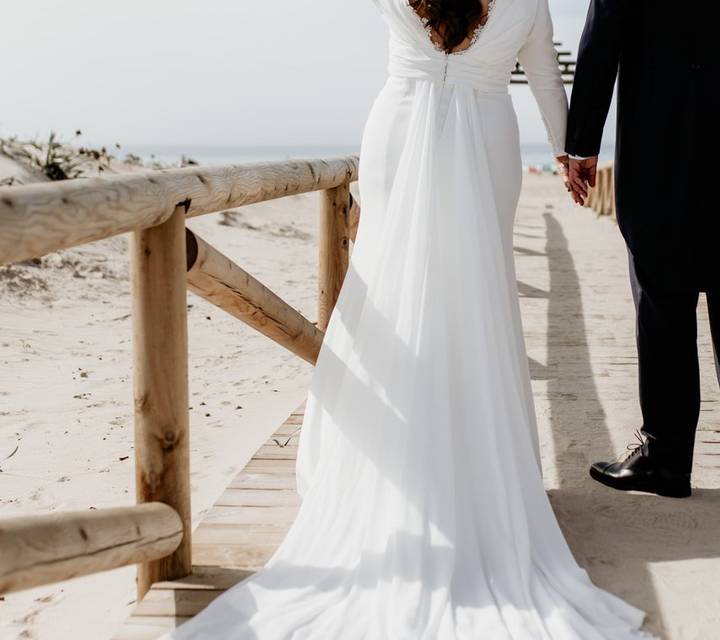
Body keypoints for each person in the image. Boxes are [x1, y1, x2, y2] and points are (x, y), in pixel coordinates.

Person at [162, 0, 651, 637]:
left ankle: (391, 454)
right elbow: (544, 79)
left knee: (386, 290)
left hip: (397, 128)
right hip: (488, 136)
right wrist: (570, 152)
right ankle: (477, 468)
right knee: (475, 294)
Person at [565, 0, 720, 498]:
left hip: (663, 130)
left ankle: (667, 457)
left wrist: (583, 142)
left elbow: (602, 36)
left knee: (663, 292)